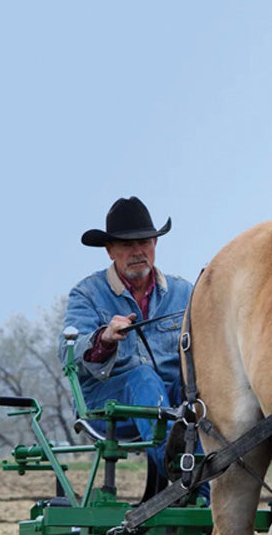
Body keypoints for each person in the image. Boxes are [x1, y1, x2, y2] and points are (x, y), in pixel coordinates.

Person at [62, 197, 194, 480]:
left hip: (172, 402)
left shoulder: (184, 293)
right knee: (143, 377)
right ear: (110, 250)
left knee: (203, 391)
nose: (137, 251)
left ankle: (216, 481)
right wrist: (105, 338)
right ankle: (185, 480)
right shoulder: (86, 293)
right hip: (108, 406)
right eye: (126, 245)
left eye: (144, 242)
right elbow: (67, 354)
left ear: (155, 244)